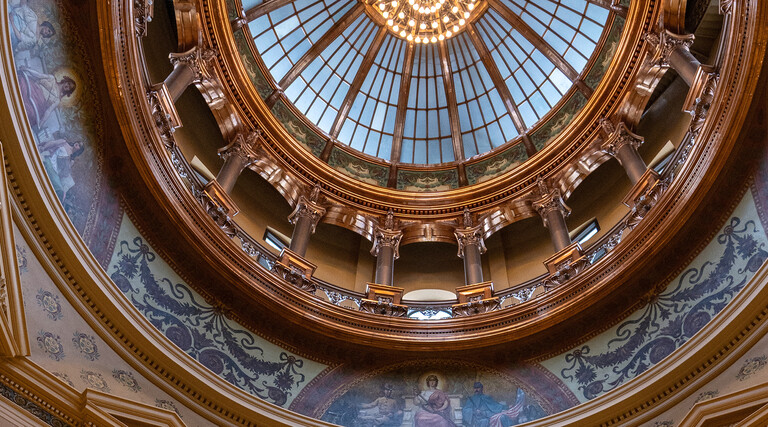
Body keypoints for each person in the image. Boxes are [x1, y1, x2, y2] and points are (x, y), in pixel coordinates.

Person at [16, 65, 76, 133]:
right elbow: (38, 75)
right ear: (65, 81)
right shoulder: (52, 78)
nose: (67, 86)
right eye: (68, 83)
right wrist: (27, 69)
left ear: (68, 91)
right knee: (21, 83)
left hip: (38, 103)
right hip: (33, 87)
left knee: (30, 113)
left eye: (69, 88)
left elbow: (48, 111)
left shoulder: (57, 100)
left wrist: (40, 125)